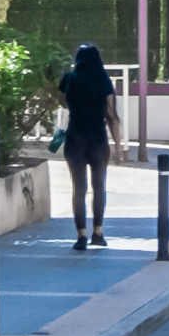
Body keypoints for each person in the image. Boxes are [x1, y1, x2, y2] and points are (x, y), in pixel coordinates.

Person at [56, 44, 124, 251]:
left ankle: (81, 235)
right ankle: (98, 232)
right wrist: (118, 146)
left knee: (79, 188)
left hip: (74, 139)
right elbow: (112, 115)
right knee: (99, 186)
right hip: (98, 139)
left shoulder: (69, 79)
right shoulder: (103, 80)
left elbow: (63, 102)